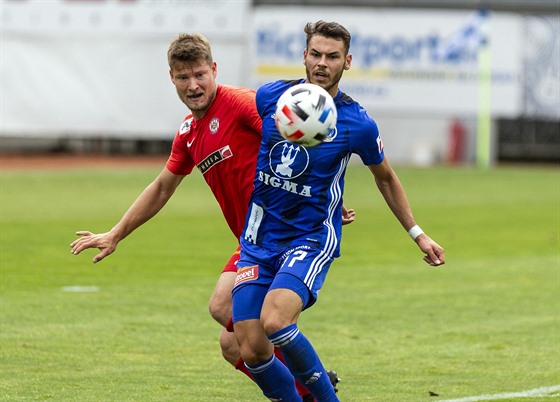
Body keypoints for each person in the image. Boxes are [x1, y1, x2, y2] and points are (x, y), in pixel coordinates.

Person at [69, 33, 343, 401]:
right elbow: (162, 187)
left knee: (226, 309)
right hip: (253, 241)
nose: (193, 85)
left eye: (200, 74)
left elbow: (293, 141)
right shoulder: (188, 132)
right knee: (234, 347)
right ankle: (309, 386)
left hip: (286, 232)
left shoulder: (242, 104)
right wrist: (116, 233)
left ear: (214, 70)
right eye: (183, 78)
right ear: (172, 78)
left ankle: (313, 384)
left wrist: (321, 196)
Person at [231, 20, 446, 401]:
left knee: (276, 322)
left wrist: (418, 233)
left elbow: (386, 178)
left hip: (310, 237)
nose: (322, 63)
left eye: (332, 56)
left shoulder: (356, 123)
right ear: (304, 56)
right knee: (250, 347)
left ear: (347, 62)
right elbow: (255, 145)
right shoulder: (271, 98)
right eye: (315, 54)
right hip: (259, 238)